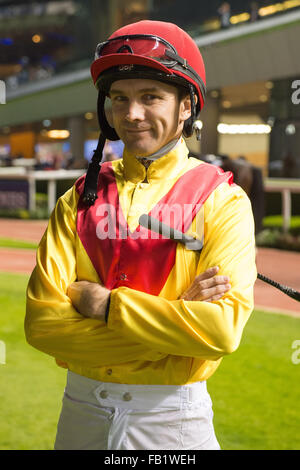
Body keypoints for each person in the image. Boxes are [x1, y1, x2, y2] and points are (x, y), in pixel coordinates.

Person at [25, 20, 257, 450]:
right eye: (119, 99)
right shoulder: (78, 198)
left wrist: (107, 304)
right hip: (80, 414)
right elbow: (41, 326)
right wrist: (173, 329)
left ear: (186, 106)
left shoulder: (224, 201)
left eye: (150, 97)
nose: (131, 114)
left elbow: (222, 331)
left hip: (172, 421)